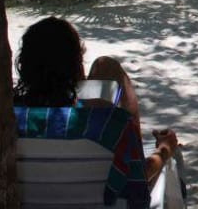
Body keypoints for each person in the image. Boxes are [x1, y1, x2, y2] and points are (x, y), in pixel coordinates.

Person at [13, 17, 180, 189]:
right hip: (97, 198)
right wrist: (164, 150)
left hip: (31, 197)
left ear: (24, 65)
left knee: (105, 66)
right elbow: (137, 179)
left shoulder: (7, 120)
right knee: (173, 156)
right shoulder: (107, 121)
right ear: (77, 67)